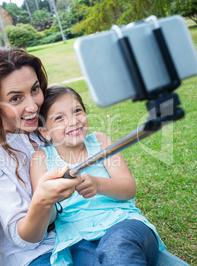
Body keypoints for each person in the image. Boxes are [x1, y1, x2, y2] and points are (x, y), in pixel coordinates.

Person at [0, 48, 83, 266]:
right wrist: (43, 200)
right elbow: (23, 240)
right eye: (15, 98)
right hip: (34, 255)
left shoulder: (49, 121)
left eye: (35, 89)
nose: (33, 106)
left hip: (84, 234)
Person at [30, 86, 166, 265]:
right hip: (78, 240)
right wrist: (52, 198)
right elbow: (46, 214)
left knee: (118, 249)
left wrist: (98, 185)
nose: (73, 121)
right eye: (59, 118)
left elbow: (128, 188)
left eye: (77, 111)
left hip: (122, 224)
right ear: (45, 132)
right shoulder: (40, 159)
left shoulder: (100, 141)